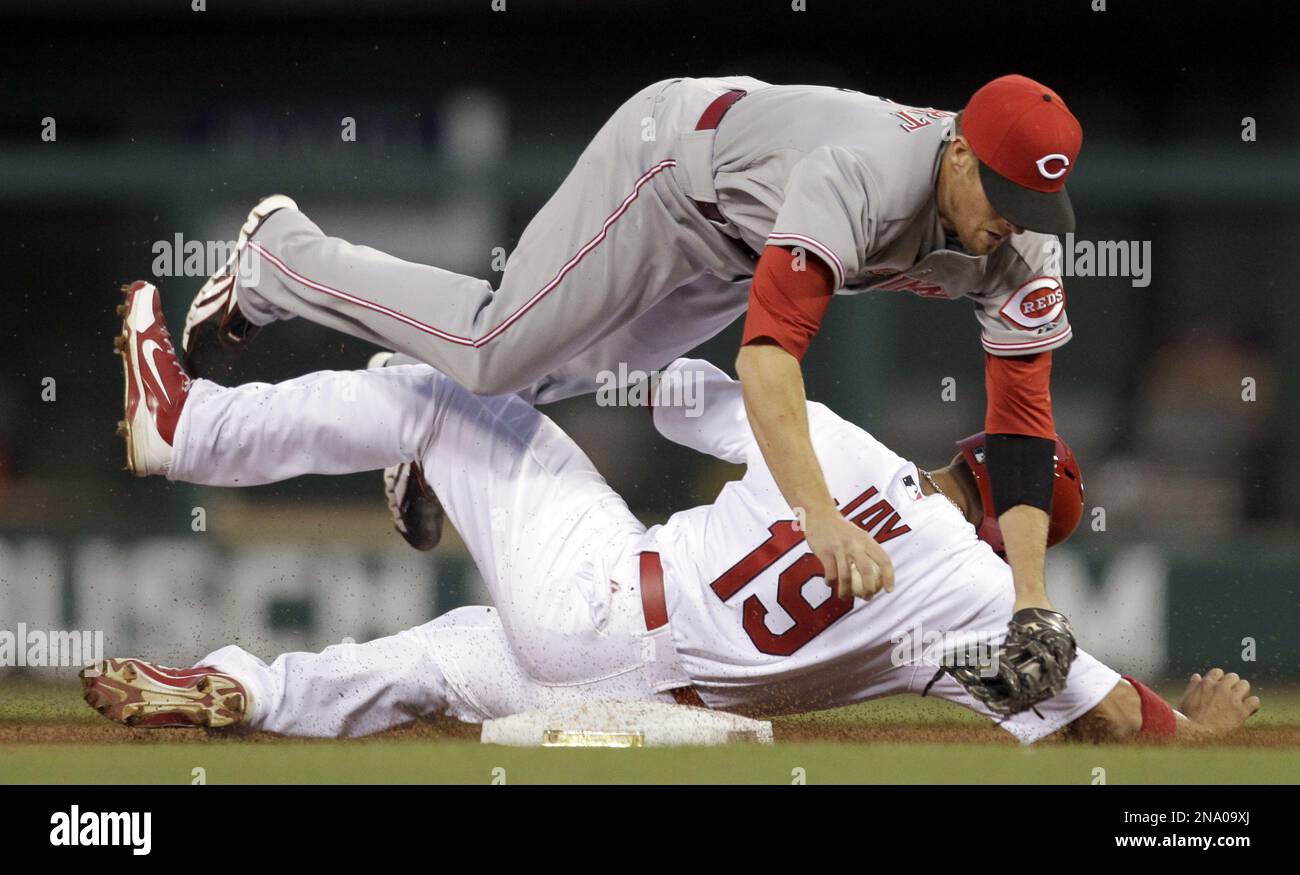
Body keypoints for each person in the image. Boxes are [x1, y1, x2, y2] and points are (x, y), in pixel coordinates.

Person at [91, 281, 1260, 743]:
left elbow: (675, 392)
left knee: (427, 388)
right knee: (436, 661)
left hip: (605, 593)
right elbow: (1115, 719)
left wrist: (554, 358)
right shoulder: (977, 601)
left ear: (969, 451)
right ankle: (245, 689)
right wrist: (1196, 727)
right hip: (649, 706)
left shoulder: (844, 449)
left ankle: (186, 426)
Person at [180, 73, 1079, 627]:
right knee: (495, 348)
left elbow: (1022, 429)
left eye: (1033, 207)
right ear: (959, 155)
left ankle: (431, 424)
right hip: (671, 173)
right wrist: (819, 516)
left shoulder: (1025, 243)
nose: (1013, 222)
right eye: (1001, 193)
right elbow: (766, 361)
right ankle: (280, 258)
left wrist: (1031, 596)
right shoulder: (864, 178)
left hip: (741, 237)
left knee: (567, 371)